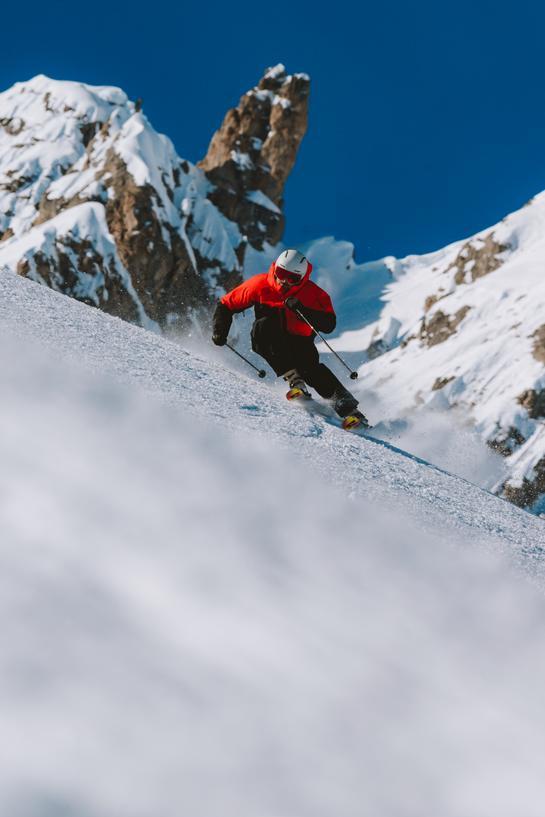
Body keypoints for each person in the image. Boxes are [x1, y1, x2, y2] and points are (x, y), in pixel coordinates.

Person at [211, 249, 368, 423]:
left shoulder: (314, 294)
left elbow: (329, 324)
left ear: (301, 278)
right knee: (261, 330)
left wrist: (303, 310)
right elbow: (226, 304)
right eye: (281, 273)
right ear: (275, 269)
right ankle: (295, 380)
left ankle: (351, 412)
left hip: (300, 340)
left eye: (292, 278)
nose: (284, 281)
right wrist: (220, 330)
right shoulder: (260, 284)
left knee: (311, 369)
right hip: (270, 338)